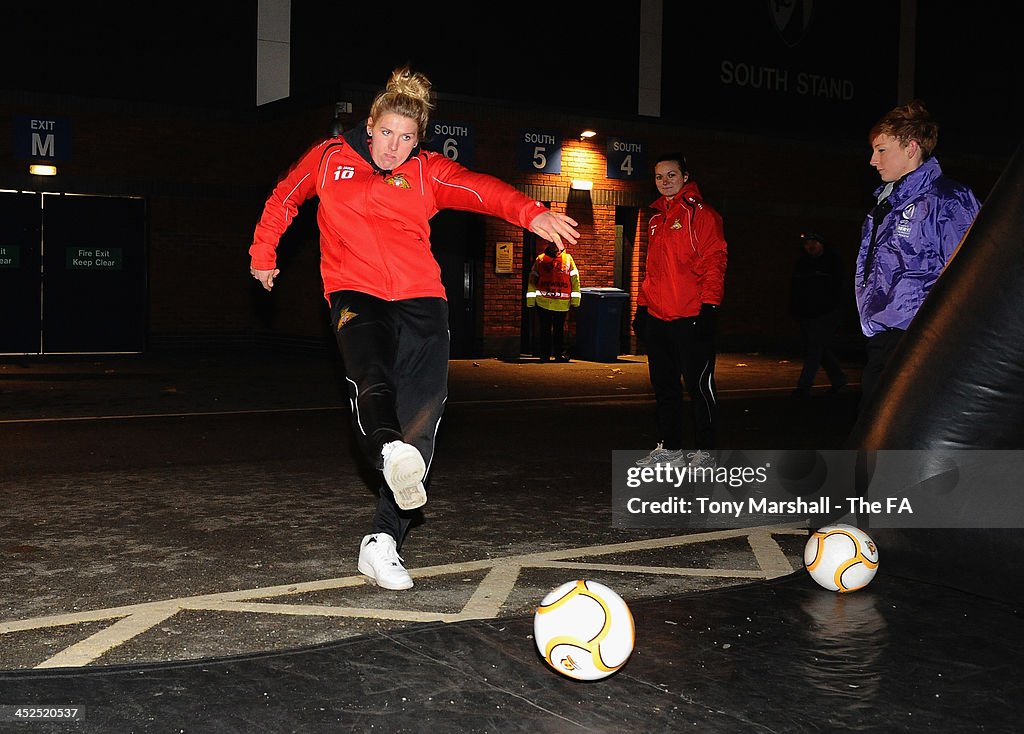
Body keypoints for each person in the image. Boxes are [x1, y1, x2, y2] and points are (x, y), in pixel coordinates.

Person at [248, 66, 579, 591]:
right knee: (370, 374)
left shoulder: (427, 171)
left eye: (407, 138)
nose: (393, 148)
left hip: (422, 300)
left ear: (418, 140)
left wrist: (531, 213)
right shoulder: (330, 157)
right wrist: (264, 251)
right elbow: (284, 198)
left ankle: (383, 542)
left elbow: (481, 190)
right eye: (386, 133)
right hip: (354, 291)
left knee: (422, 420)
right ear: (370, 123)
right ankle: (386, 448)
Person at [855, 99, 980, 407]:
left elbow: (970, 277)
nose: (873, 160)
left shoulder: (947, 199)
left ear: (911, 148)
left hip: (919, 340)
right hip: (882, 337)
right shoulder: (886, 205)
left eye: (882, 150)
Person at [632, 152, 728, 470]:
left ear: (685, 176)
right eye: (659, 177)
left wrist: (710, 307)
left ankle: (706, 452)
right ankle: (670, 450)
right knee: (665, 389)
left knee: (699, 389)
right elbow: (653, 271)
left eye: (671, 175)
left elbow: (714, 261)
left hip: (691, 317)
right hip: (659, 319)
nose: (665, 182)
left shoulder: (701, 214)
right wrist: (642, 309)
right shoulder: (656, 219)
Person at [789, 231, 848, 397]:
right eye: (807, 243)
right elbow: (795, 289)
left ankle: (804, 386)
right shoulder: (802, 263)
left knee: (814, 349)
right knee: (819, 348)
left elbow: (839, 288)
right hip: (807, 313)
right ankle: (839, 379)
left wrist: (836, 310)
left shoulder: (832, 262)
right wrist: (796, 309)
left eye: (814, 242)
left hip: (826, 313)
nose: (810, 246)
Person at [526, 240, 581, 362]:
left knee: (558, 330)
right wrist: (531, 300)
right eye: (553, 244)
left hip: (560, 302)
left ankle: (557, 354)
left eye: (557, 244)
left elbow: (575, 279)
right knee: (545, 329)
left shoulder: (568, 259)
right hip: (544, 301)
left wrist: (575, 300)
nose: (555, 247)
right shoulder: (540, 259)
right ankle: (545, 355)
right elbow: (532, 279)